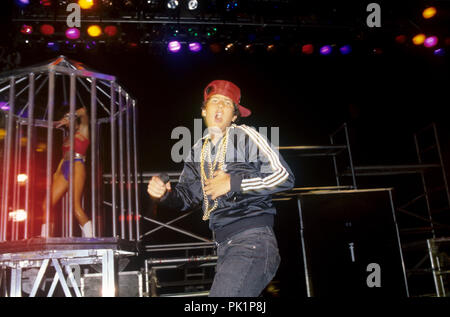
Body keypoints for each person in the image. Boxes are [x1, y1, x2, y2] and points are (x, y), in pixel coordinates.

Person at [147, 80, 294, 296]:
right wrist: (165, 195)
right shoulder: (198, 150)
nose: (220, 106)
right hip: (225, 245)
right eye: (215, 101)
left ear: (234, 115)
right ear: (204, 110)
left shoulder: (246, 136)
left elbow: (285, 176)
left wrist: (233, 183)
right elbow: (187, 196)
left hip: (252, 240)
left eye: (227, 103)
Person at [41, 106, 93, 238]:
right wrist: (56, 173)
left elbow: (84, 111)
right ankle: (45, 237)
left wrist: (71, 115)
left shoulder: (83, 129)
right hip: (64, 167)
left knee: (75, 207)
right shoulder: (66, 138)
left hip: (77, 165)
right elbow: (64, 157)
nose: (66, 120)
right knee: (46, 205)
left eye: (68, 118)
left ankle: (90, 239)